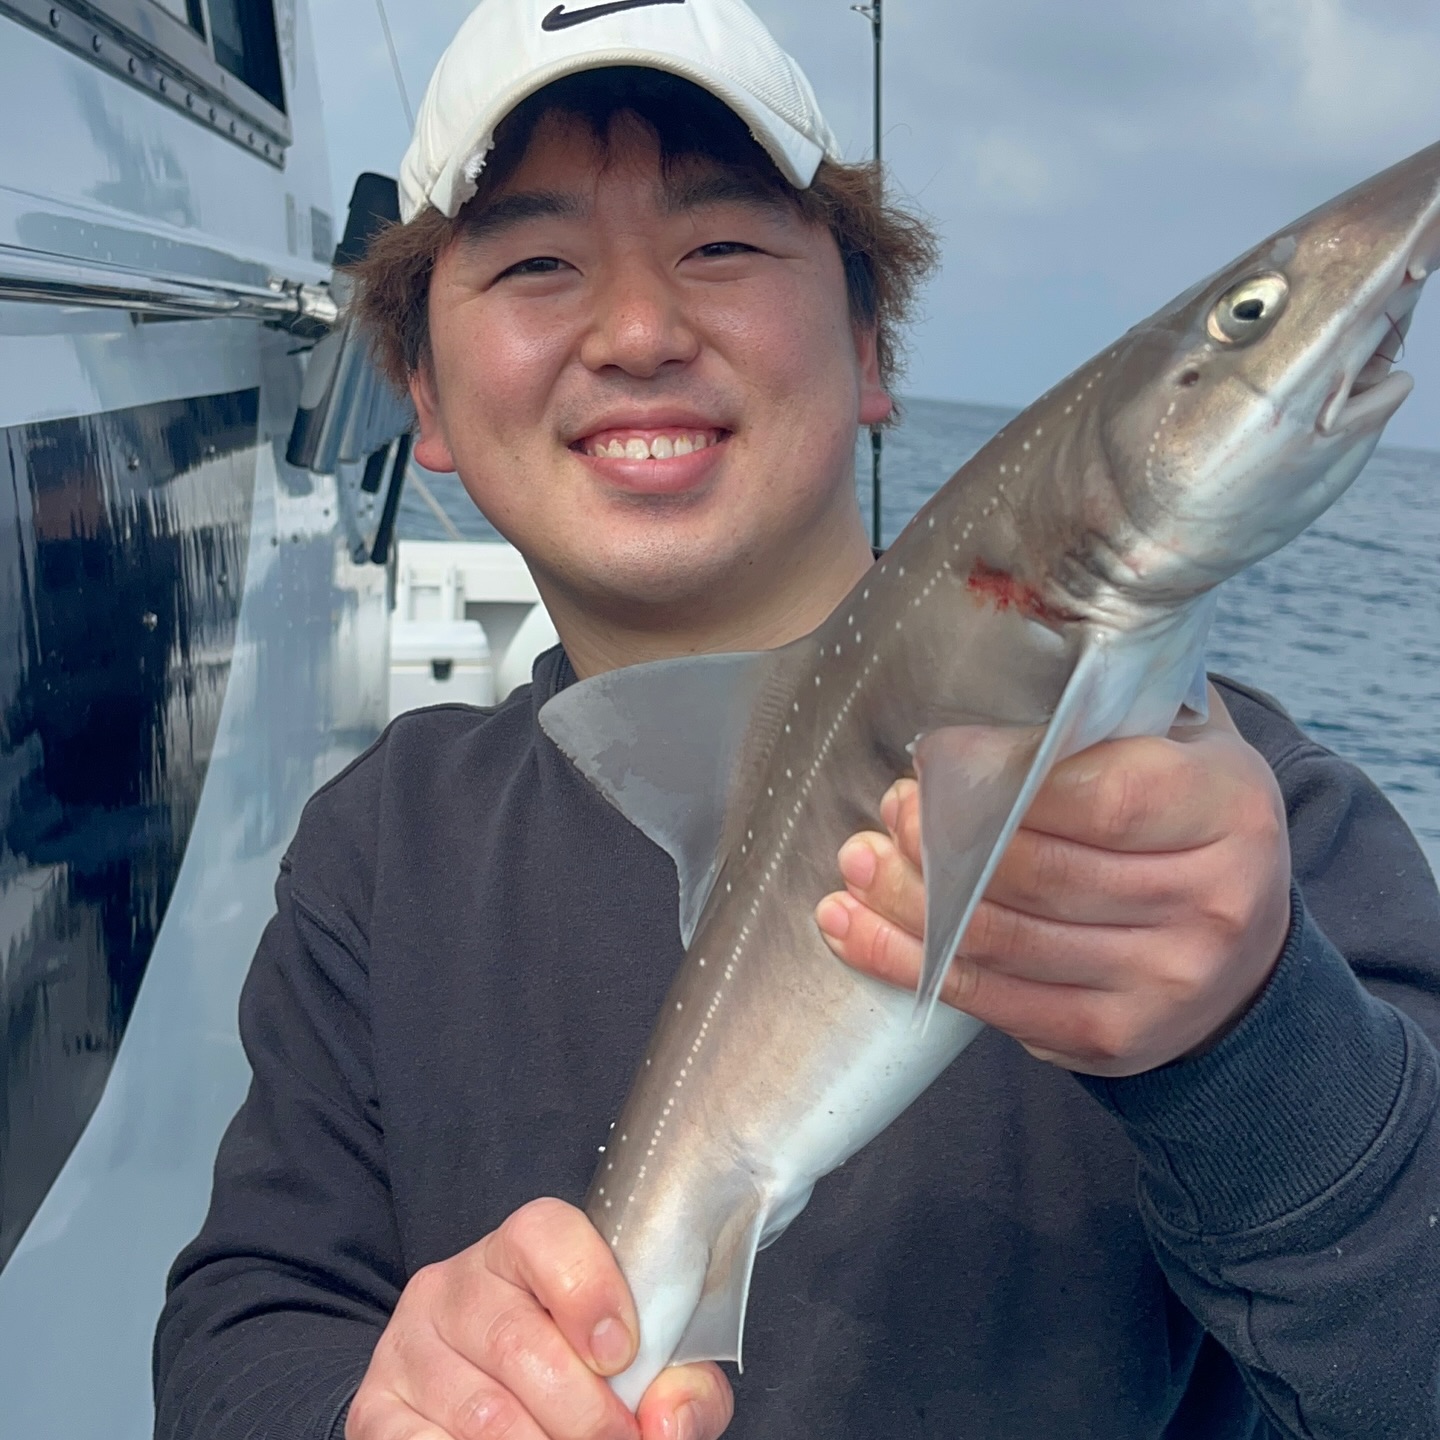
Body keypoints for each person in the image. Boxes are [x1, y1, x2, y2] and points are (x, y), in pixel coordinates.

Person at [153, 2, 1440, 1437]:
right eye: (535, 264)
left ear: (870, 342)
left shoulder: (1253, 840)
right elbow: (242, 1325)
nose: (638, 332)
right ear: (423, 396)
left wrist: (1253, 1038)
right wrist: (368, 1413)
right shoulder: (387, 849)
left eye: (720, 246)